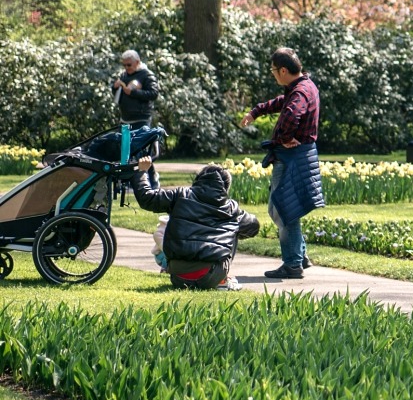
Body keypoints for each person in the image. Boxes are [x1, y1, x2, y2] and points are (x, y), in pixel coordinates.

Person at [240, 47, 324, 279]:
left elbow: (292, 114)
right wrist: (256, 111)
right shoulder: (303, 86)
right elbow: (283, 103)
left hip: (292, 158)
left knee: (283, 210)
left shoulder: (299, 93)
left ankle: (293, 264)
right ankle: (300, 256)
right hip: (299, 157)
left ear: (284, 70)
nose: (273, 74)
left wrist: (284, 138)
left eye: (273, 70)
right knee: (284, 208)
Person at [131, 156, 259, 289]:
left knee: (235, 226)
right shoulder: (232, 209)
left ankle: (217, 277)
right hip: (211, 276)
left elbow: (148, 198)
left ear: (198, 180)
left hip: (178, 276)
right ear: (225, 187)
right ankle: (222, 280)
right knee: (236, 227)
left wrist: (142, 172)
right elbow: (254, 226)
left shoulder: (180, 195)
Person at [113, 49, 160, 128]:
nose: (126, 67)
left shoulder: (147, 75)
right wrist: (115, 87)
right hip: (124, 120)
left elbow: (153, 94)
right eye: (124, 65)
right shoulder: (123, 75)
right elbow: (118, 96)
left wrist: (133, 92)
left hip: (141, 120)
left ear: (137, 62)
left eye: (129, 65)